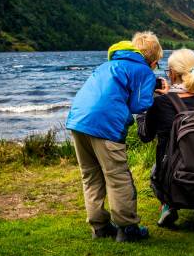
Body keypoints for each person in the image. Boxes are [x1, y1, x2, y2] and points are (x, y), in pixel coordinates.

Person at [66, 31, 163, 242]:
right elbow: (140, 105)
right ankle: (127, 229)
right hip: (106, 126)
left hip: (78, 121)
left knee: (91, 176)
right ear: (154, 61)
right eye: (157, 65)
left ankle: (99, 227)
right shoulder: (144, 71)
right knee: (118, 177)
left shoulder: (107, 65)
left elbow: (117, 89)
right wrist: (154, 91)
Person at [137, 48, 194, 230]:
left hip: (172, 176)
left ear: (172, 74)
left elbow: (145, 136)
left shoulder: (161, 102)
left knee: (155, 171)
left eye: (168, 71)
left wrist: (145, 108)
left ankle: (168, 206)